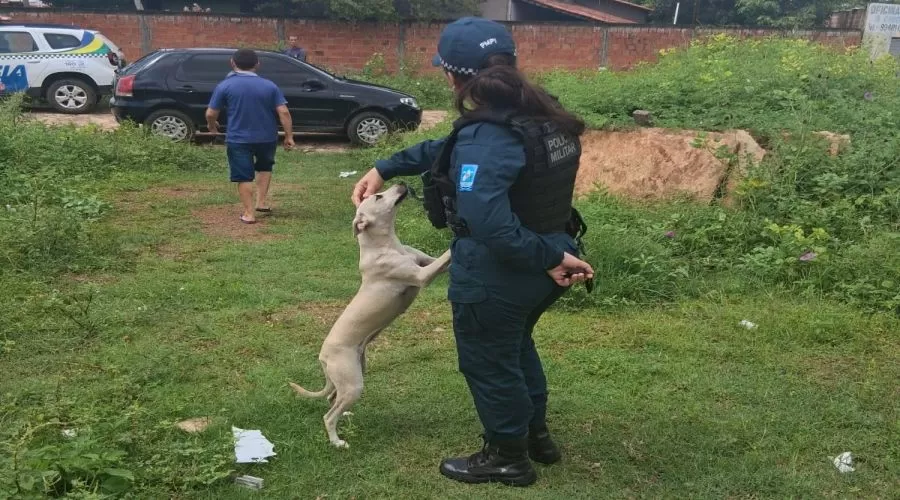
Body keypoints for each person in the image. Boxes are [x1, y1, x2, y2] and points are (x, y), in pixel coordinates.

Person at [351, 17, 594, 487]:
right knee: (515, 346)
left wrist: (546, 256)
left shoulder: (491, 134)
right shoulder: (541, 115)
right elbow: (448, 147)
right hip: (551, 249)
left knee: (488, 359)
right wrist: (384, 167)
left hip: (504, 270)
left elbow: (487, 220)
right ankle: (535, 437)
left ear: (452, 75)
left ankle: (507, 456)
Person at [206, 49, 295, 224]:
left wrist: (212, 126)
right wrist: (289, 136)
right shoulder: (270, 85)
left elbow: (210, 113)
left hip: (238, 138)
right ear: (257, 65)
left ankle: (249, 213)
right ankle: (261, 202)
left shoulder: (224, 86)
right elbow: (283, 112)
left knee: (243, 175)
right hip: (267, 137)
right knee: (264, 167)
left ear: (232, 63)